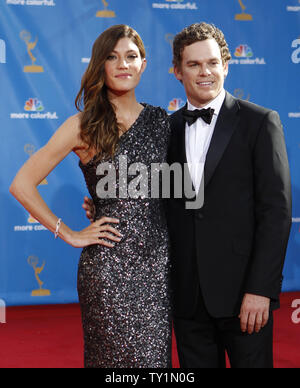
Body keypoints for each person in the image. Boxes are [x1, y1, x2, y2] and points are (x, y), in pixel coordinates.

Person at [83, 22, 292, 368]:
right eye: (193, 65)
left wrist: (261, 290)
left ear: (226, 65)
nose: (205, 72)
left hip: (244, 296)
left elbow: (276, 212)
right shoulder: (165, 128)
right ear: (177, 72)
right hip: (185, 297)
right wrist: (106, 202)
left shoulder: (260, 123)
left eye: (212, 62)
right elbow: (153, 193)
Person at [10, 25, 172, 368]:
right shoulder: (83, 125)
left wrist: (111, 196)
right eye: (112, 57)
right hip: (108, 269)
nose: (123, 64)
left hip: (158, 267)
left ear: (144, 64)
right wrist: (68, 232)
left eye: (131, 56)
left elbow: (170, 188)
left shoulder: (161, 121)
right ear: (100, 65)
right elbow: (22, 184)